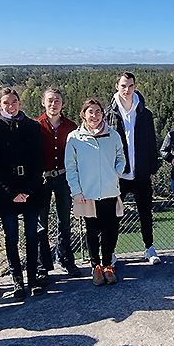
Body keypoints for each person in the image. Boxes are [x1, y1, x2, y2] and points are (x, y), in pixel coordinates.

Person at [0, 87, 45, 300]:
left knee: (31, 236)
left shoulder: (32, 126)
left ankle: (33, 279)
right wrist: (11, 192)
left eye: (14, 102)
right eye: (6, 103)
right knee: (11, 238)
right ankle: (17, 281)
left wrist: (27, 190)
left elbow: (39, 161)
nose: (11, 106)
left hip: (30, 191)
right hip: (6, 194)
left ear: (20, 102)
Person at [65, 99, 126, 286]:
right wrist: (76, 191)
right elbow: (71, 167)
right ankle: (96, 267)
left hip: (109, 191)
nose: (95, 115)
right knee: (92, 232)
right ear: (83, 114)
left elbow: (121, 158)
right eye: (90, 111)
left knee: (111, 230)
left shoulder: (113, 135)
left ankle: (108, 264)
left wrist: (116, 172)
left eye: (98, 111)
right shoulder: (74, 138)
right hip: (87, 194)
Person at [105, 71, 162, 265]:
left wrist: (153, 168)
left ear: (134, 86)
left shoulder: (145, 113)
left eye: (130, 86)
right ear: (116, 86)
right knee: (114, 215)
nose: (127, 90)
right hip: (118, 174)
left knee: (146, 212)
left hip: (141, 172)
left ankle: (149, 248)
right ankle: (110, 252)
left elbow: (151, 142)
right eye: (123, 86)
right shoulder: (108, 113)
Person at [36, 88, 79, 276]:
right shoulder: (35, 125)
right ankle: (43, 266)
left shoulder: (71, 126)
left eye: (57, 101)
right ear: (43, 103)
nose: (54, 104)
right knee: (41, 224)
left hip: (64, 177)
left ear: (63, 104)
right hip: (42, 179)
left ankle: (66, 259)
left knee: (65, 222)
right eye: (50, 100)